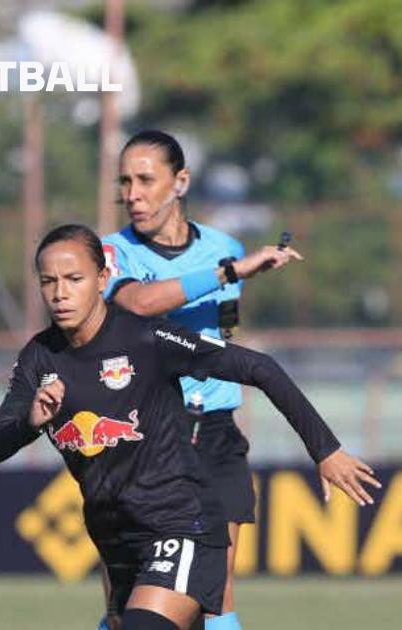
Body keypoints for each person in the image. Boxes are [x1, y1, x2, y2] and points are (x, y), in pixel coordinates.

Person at [0, 224, 379, 630]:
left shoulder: (144, 337)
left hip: (183, 524)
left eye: (74, 279)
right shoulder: (39, 357)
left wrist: (325, 449)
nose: (60, 293)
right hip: (115, 539)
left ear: (102, 279)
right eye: (49, 281)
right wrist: (29, 422)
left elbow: (260, 367)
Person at [98, 129, 304, 630]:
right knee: (127, 604)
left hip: (211, 430)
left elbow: (225, 330)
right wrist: (229, 271)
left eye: (146, 179)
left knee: (216, 595)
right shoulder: (109, 252)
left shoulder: (221, 245)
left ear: (180, 181)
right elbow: (139, 304)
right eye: (125, 181)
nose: (133, 194)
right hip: (139, 440)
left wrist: (229, 271)